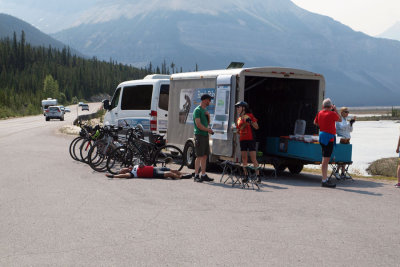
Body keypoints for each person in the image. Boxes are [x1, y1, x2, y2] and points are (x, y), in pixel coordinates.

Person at [314, 98, 342, 188]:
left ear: (323, 106)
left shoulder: (320, 113)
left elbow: (315, 122)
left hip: (322, 136)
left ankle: (324, 179)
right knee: (325, 160)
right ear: (330, 106)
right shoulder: (332, 113)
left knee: (324, 159)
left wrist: (323, 126)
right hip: (329, 138)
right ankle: (324, 180)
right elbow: (340, 119)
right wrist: (336, 110)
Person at [235, 101, 261, 182]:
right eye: (237, 107)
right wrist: (235, 130)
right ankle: (246, 176)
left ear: (244, 108)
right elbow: (238, 131)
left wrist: (250, 121)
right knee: (244, 159)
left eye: (238, 107)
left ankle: (258, 176)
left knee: (253, 158)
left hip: (250, 138)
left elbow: (257, 127)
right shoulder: (238, 119)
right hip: (242, 139)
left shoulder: (250, 115)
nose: (237, 108)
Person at [193, 94, 214, 182]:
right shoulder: (197, 110)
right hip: (200, 135)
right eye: (209, 100)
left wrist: (208, 116)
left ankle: (203, 174)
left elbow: (207, 123)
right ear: (204, 100)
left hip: (205, 135)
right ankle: (196, 175)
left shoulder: (204, 110)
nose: (210, 102)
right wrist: (208, 130)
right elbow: (198, 125)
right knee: (199, 156)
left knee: (205, 156)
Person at [334, 107, 356, 179]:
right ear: (342, 112)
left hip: (347, 139)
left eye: (348, 112)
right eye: (346, 112)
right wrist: (349, 123)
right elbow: (342, 127)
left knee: (345, 156)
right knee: (341, 156)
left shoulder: (346, 120)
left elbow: (350, 130)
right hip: (341, 139)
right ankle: (337, 172)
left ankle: (343, 173)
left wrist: (351, 124)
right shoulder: (339, 119)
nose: (347, 113)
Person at [105, 164, 193, 179]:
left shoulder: (133, 166)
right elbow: (123, 176)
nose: (123, 169)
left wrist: (142, 165)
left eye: (122, 169)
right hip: (153, 174)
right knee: (170, 174)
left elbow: (143, 165)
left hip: (154, 168)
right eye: (122, 171)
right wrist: (113, 176)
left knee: (173, 170)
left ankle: (187, 174)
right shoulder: (131, 174)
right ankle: (181, 177)